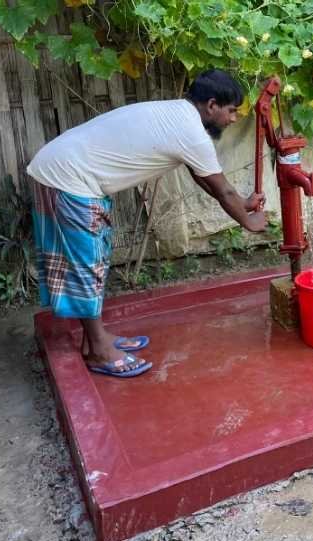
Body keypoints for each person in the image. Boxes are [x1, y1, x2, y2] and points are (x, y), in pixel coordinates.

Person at [27, 69, 265, 378]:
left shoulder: (178, 115)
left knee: (93, 260)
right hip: (68, 178)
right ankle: (99, 351)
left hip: (63, 169)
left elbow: (204, 177)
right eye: (231, 111)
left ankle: (94, 340)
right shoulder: (191, 134)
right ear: (211, 105)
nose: (233, 119)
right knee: (87, 265)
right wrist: (249, 222)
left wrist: (243, 205)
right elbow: (224, 191)